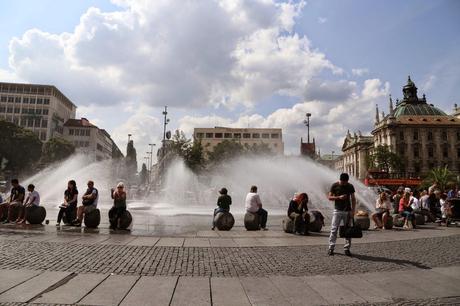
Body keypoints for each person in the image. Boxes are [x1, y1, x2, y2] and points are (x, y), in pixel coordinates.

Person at [327, 173, 356, 256]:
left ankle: (347, 248)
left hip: (347, 211)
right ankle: (331, 248)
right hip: (337, 210)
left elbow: (353, 199)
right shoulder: (334, 185)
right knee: (334, 229)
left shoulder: (350, 186)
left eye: (346, 182)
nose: (344, 184)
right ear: (340, 180)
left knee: (348, 230)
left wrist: (353, 211)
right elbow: (329, 197)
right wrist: (338, 197)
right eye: (343, 182)